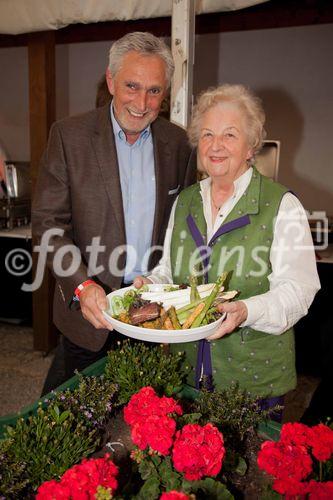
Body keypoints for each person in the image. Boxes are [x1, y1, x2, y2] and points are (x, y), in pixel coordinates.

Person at [134, 84, 320, 419]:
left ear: (251, 146)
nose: (215, 145)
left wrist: (245, 311)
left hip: (253, 379)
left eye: (229, 135)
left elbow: (300, 290)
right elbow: (169, 268)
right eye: (207, 134)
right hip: (185, 370)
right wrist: (151, 285)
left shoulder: (282, 205)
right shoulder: (185, 200)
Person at [32, 32, 197, 394]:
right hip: (90, 309)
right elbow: (48, 226)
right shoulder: (68, 136)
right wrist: (81, 283)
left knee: (141, 420)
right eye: (132, 86)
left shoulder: (180, 145)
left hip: (151, 310)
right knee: (63, 416)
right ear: (110, 80)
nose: (142, 102)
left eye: (154, 90)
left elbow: (182, 230)